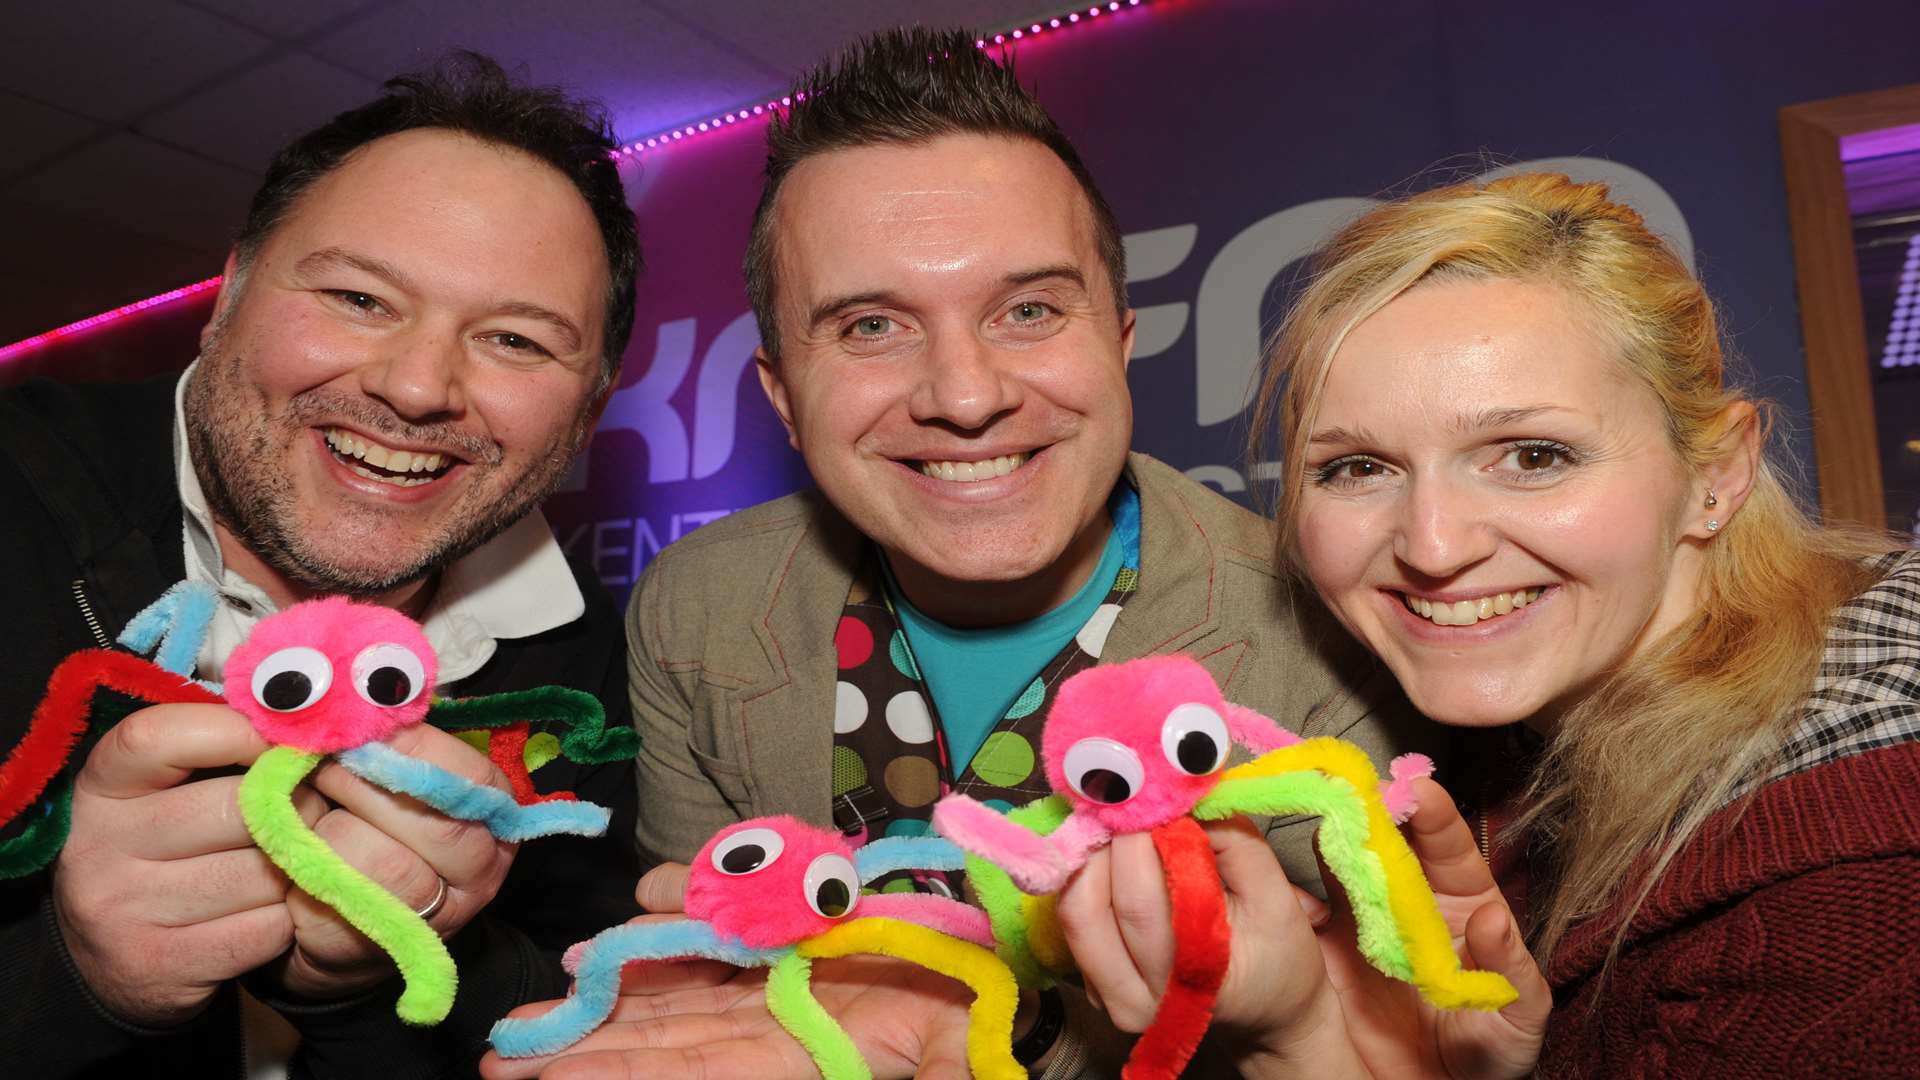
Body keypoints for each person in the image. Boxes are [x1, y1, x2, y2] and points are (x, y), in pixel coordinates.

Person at [481, 26, 1430, 1080]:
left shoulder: (1333, 648)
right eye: (872, 327)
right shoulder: (696, 610)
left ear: (1118, 340)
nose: (967, 395)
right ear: (784, 399)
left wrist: (1001, 1026)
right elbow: (720, 984)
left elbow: (1365, 1039)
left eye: (1028, 310)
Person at [1053, 171, 1920, 1077]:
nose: (1432, 546)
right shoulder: (1516, 747)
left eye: (1533, 456)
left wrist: (1297, 1043)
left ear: (1718, 474)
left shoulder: (1857, 894)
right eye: (1357, 468)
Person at [0, 53, 647, 1077]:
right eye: (358, 297)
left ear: (586, 411)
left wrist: (378, 976)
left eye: (517, 341)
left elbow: (575, 1019)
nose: (420, 386)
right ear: (226, 299)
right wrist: (69, 976)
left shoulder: (573, 654)